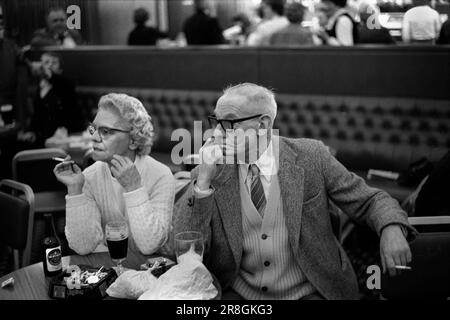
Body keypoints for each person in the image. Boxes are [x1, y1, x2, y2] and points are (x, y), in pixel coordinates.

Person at [173, 83, 416, 300]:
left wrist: (391, 227)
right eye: (215, 122)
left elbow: (371, 200)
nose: (216, 134)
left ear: (263, 124)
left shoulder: (311, 157)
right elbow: (186, 248)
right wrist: (203, 182)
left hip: (310, 289)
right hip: (239, 294)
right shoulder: (210, 171)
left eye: (228, 124)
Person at [54, 93, 175, 256]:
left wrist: (134, 188)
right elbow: (83, 246)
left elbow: (150, 246)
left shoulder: (161, 175)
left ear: (133, 140)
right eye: (94, 129)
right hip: (111, 267)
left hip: (153, 270)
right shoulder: (90, 176)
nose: (95, 138)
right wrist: (76, 190)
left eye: (105, 131)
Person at [19, 52, 83, 146]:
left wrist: (46, 72)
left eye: (54, 62)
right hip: (43, 138)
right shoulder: (41, 87)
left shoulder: (67, 84)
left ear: (61, 68)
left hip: (64, 138)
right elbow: (37, 114)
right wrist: (31, 131)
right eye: (46, 62)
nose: (50, 65)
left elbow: (61, 82)